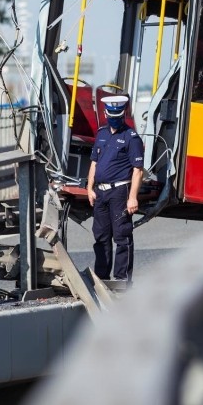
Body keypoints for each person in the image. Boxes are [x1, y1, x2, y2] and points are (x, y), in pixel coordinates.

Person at [87, 95, 144, 282]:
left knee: (122, 237)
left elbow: (137, 170)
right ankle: (102, 279)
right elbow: (94, 163)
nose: (114, 118)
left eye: (118, 114)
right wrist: (89, 188)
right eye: (111, 114)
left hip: (120, 192)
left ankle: (122, 281)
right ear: (105, 114)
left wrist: (133, 197)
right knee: (101, 236)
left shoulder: (131, 137)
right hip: (100, 193)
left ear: (124, 113)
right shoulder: (101, 134)